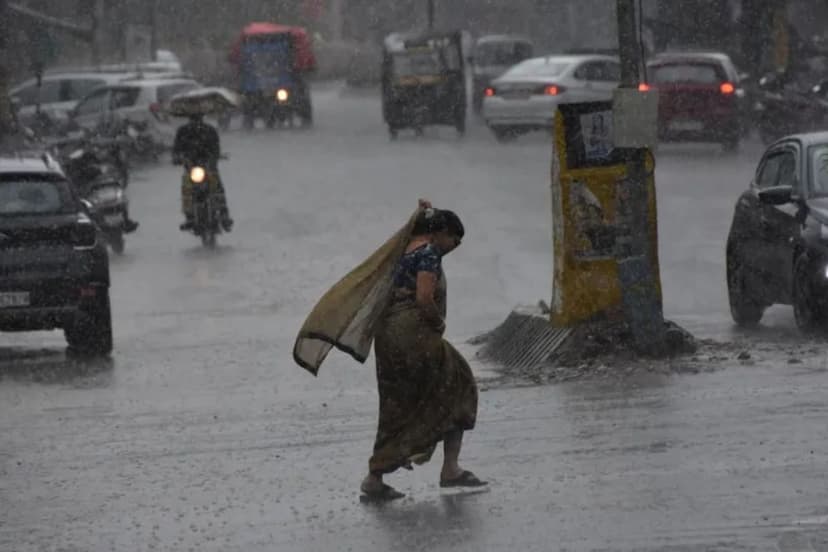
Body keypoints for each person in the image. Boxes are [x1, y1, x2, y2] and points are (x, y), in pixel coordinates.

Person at [359, 199, 486, 501]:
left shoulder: (404, 249)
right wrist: (438, 322)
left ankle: (374, 477)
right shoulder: (428, 254)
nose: (452, 247)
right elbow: (424, 297)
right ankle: (450, 469)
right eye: (453, 241)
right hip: (412, 335)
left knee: (398, 404)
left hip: (388, 338)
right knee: (460, 384)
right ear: (439, 232)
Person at [172, 114, 233, 232]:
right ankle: (189, 216)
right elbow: (176, 149)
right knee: (186, 189)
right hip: (191, 168)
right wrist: (178, 158)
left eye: (197, 118)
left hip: (208, 167)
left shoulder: (210, 130)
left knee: (217, 187)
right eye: (193, 118)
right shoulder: (183, 131)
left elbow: (216, 148)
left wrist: (213, 158)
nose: (195, 121)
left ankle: (223, 213)